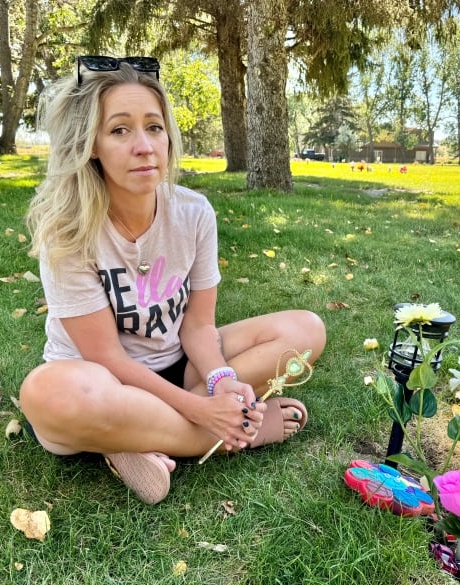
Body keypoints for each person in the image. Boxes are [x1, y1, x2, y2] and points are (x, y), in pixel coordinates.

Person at [20, 56, 326, 504]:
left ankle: (132, 439)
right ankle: (223, 436)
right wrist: (207, 413)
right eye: (120, 130)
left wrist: (220, 381)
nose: (144, 145)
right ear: (91, 146)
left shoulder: (194, 213)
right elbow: (107, 358)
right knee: (46, 393)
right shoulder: (67, 232)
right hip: (101, 382)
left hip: (178, 366)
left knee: (306, 331)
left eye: (154, 127)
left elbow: (198, 326)